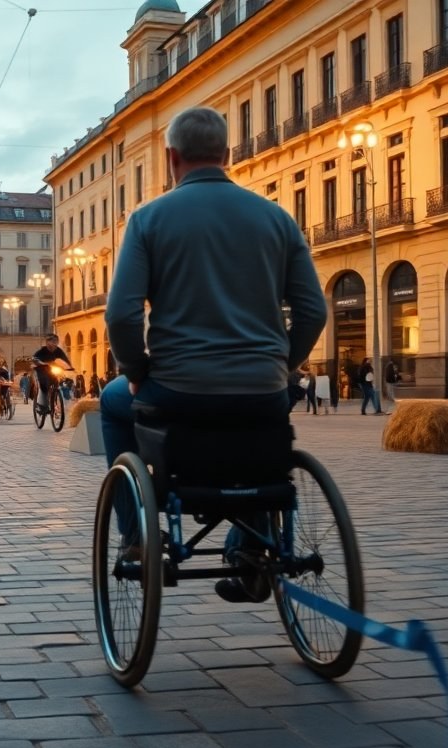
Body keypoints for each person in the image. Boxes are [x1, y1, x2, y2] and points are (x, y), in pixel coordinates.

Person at [100, 106, 326, 604]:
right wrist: (281, 367)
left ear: (171, 157)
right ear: (227, 154)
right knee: (261, 448)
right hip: (262, 393)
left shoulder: (149, 219)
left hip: (180, 391)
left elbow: (119, 317)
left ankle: (135, 528)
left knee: (112, 402)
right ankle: (251, 544)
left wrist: (135, 371)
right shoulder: (277, 218)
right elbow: (313, 311)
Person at [31, 334, 72, 411]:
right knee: (44, 385)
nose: (55, 343)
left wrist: (69, 367)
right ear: (47, 342)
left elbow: (65, 359)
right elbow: (35, 358)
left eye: (56, 341)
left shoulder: (58, 351)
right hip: (41, 370)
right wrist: (40, 362)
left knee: (58, 381)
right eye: (53, 341)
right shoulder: (42, 351)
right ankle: (41, 405)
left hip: (52, 370)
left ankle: (55, 400)